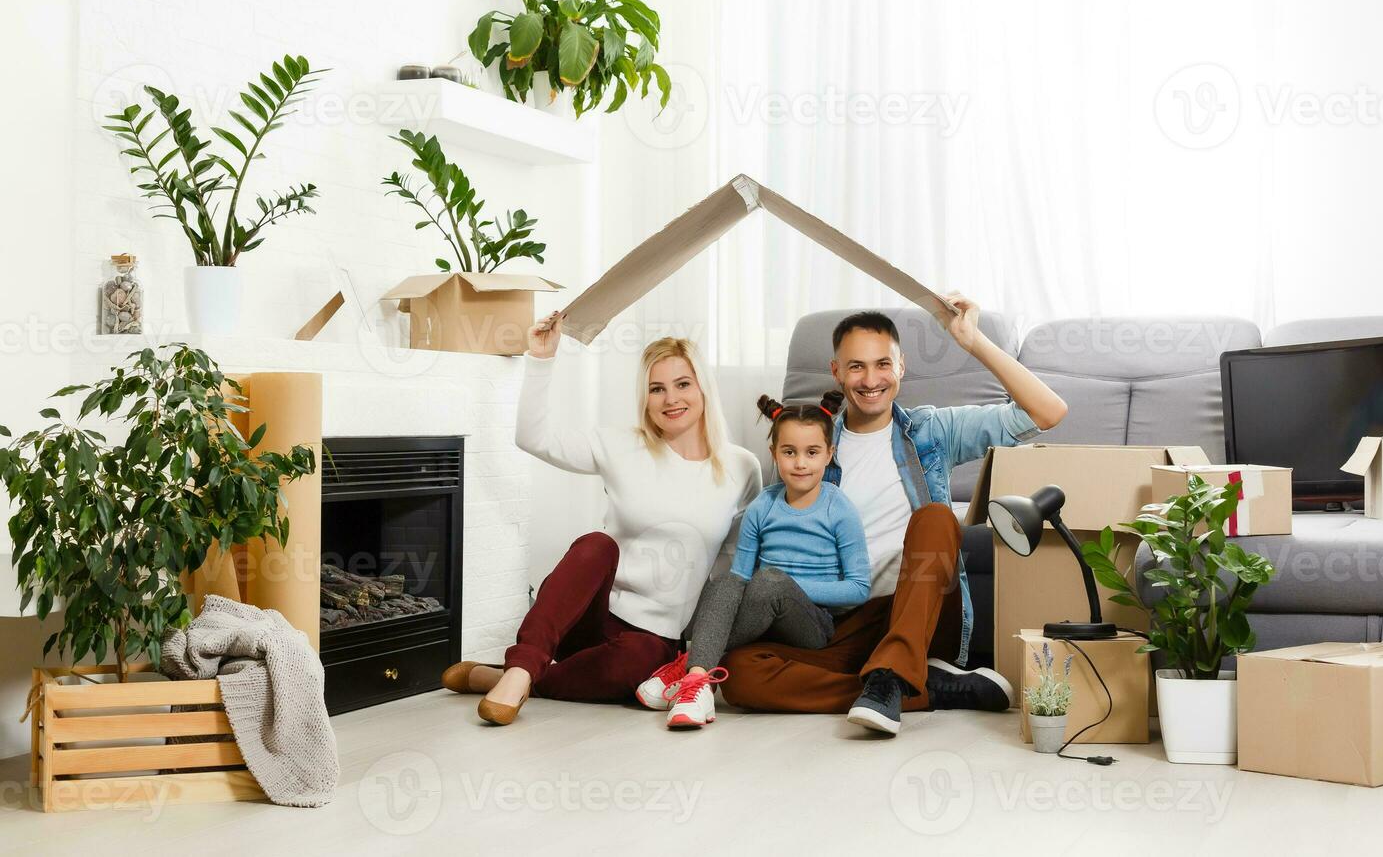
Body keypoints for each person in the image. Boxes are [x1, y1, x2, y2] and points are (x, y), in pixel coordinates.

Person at [720, 296, 1068, 735]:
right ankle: (921, 687)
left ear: (901, 367)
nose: (870, 380)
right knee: (739, 674)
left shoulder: (931, 431)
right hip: (841, 625)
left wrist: (974, 342)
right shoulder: (809, 447)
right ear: (836, 372)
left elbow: (1047, 412)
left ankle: (895, 672)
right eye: (856, 366)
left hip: (920, 616)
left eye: (883, 364)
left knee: (936, 518)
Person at [440, 312, 762, 725]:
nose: (671, 399)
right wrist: (542, 360)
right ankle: (522, 669)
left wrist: (699, 655)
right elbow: (532, 438)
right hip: (591, 617)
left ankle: (503, 679)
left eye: (683, 384)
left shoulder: (741, 468)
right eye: (656, 389)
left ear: (703, 388)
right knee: (597, 544)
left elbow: (728, 568)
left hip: (653, 638)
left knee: (637, 662)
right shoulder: (622, 446)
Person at [635, 390, 870, 729]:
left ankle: (689, 661)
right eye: (789, 452)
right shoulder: (763, 505)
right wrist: (766, 583)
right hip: (762, 615)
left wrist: (790, 586)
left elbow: (859, 589)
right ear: (774, 453)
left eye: (812, 452)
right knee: (728, 580)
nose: (800, 463)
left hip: (813, 625)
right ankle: (697, 683)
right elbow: (740, 578)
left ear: (829, 454)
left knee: (768, 581)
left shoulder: (839, 509)